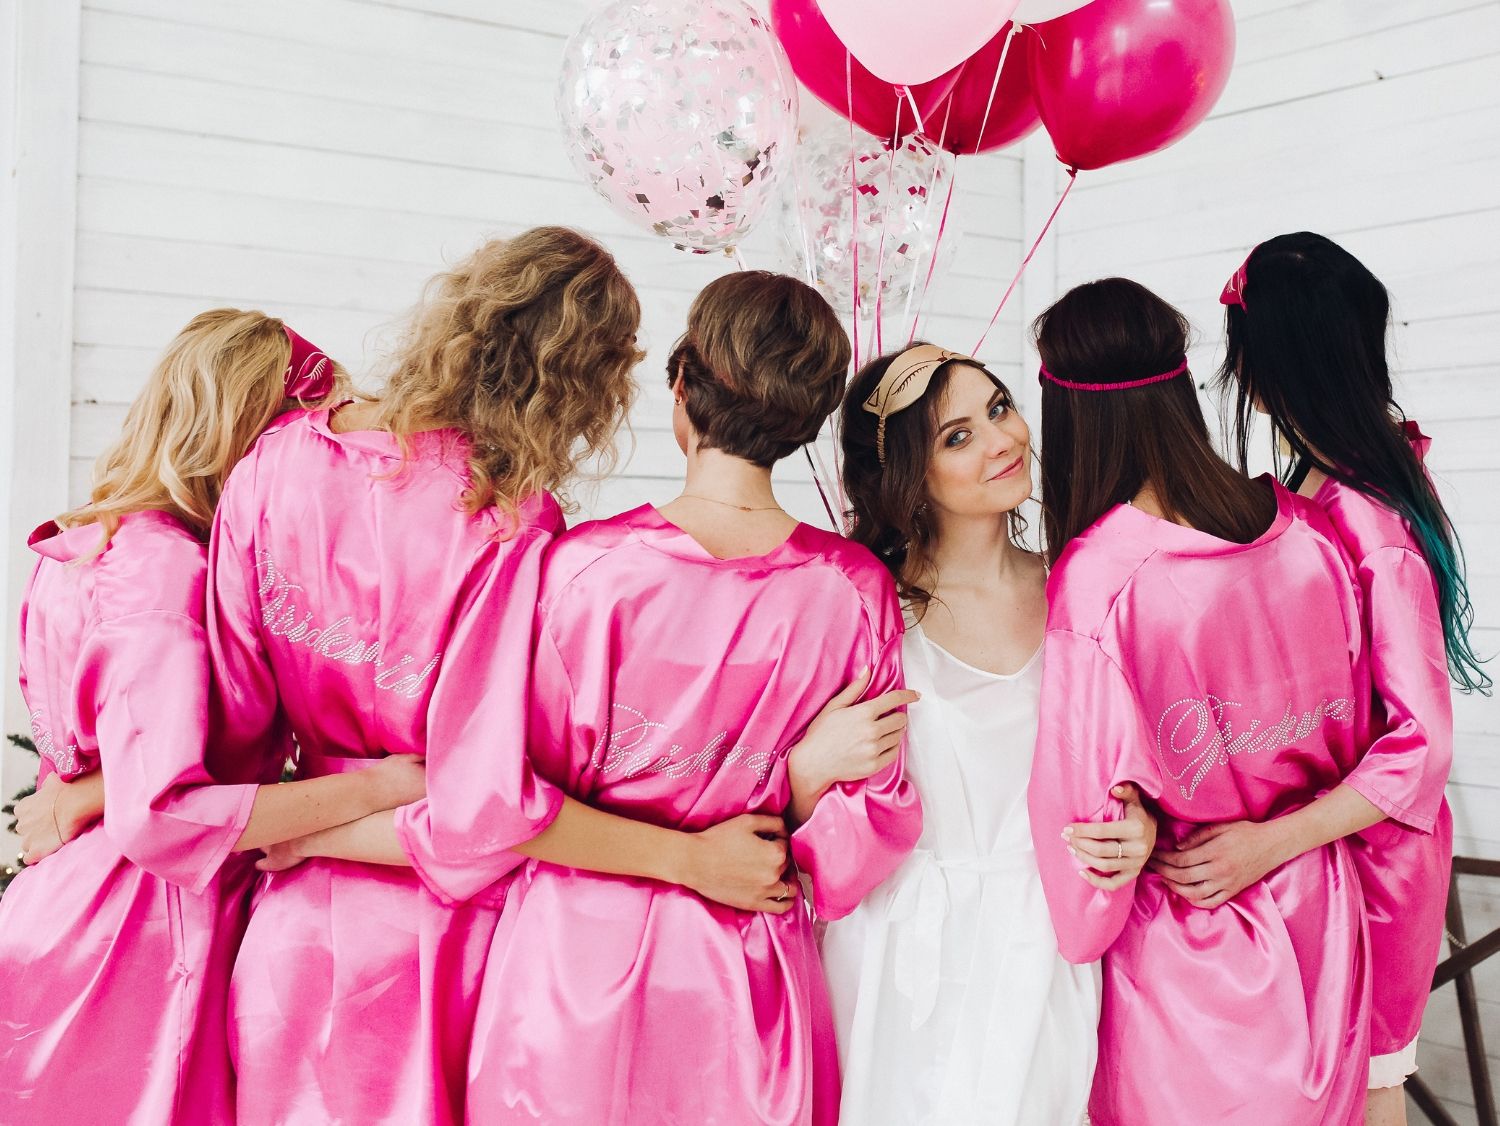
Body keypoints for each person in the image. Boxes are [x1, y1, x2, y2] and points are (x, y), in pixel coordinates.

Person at [194, 230, 792, 1125]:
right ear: (584, 383)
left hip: (290, 922)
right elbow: (487, 805)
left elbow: (233, 731)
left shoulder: (272, 463)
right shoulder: (515, 522)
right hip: (446, 932)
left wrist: (298, 832)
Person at [449, 270, 923, 1125]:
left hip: (569, 982)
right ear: (808, 421)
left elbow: (501, 806)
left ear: (681, 389)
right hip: (741, 998)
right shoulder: (853, 593)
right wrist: (789, 788)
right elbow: (860, 846)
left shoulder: (580, 572)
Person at [0, 310, 425, 1125]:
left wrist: (84, 795)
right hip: (140, 933)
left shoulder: (89, 543)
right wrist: (381, 787)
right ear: (252, 440)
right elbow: (162, 812)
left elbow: (120, 755)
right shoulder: (163, 573)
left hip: (70, 907)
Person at [1153, 231, 1486, 1125]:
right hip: (1316, 841)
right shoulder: (1313, 482)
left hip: (1368, 853)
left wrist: (1266, 843)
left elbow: (1422, 744)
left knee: (1370, 1090)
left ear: (1272, 365)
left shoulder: (1369, 517)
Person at [1027, 278, 1372, 1125]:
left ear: (1068, 412)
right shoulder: (1309, 533)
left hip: (1192, 950)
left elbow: (1083, 843)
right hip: (1327, 928)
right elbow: (1364, 739)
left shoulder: (1099, 578)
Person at [813, 342, 1156, 1125]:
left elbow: (1132, 755)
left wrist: (1140, 824)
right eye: (958, 436)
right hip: (902, 953)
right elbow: (798, 802)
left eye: (999, 408)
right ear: (909, 474)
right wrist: (807, 765)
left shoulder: (1079, 586)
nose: (1002, 440)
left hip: (1044, 936)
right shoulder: (869, 609)